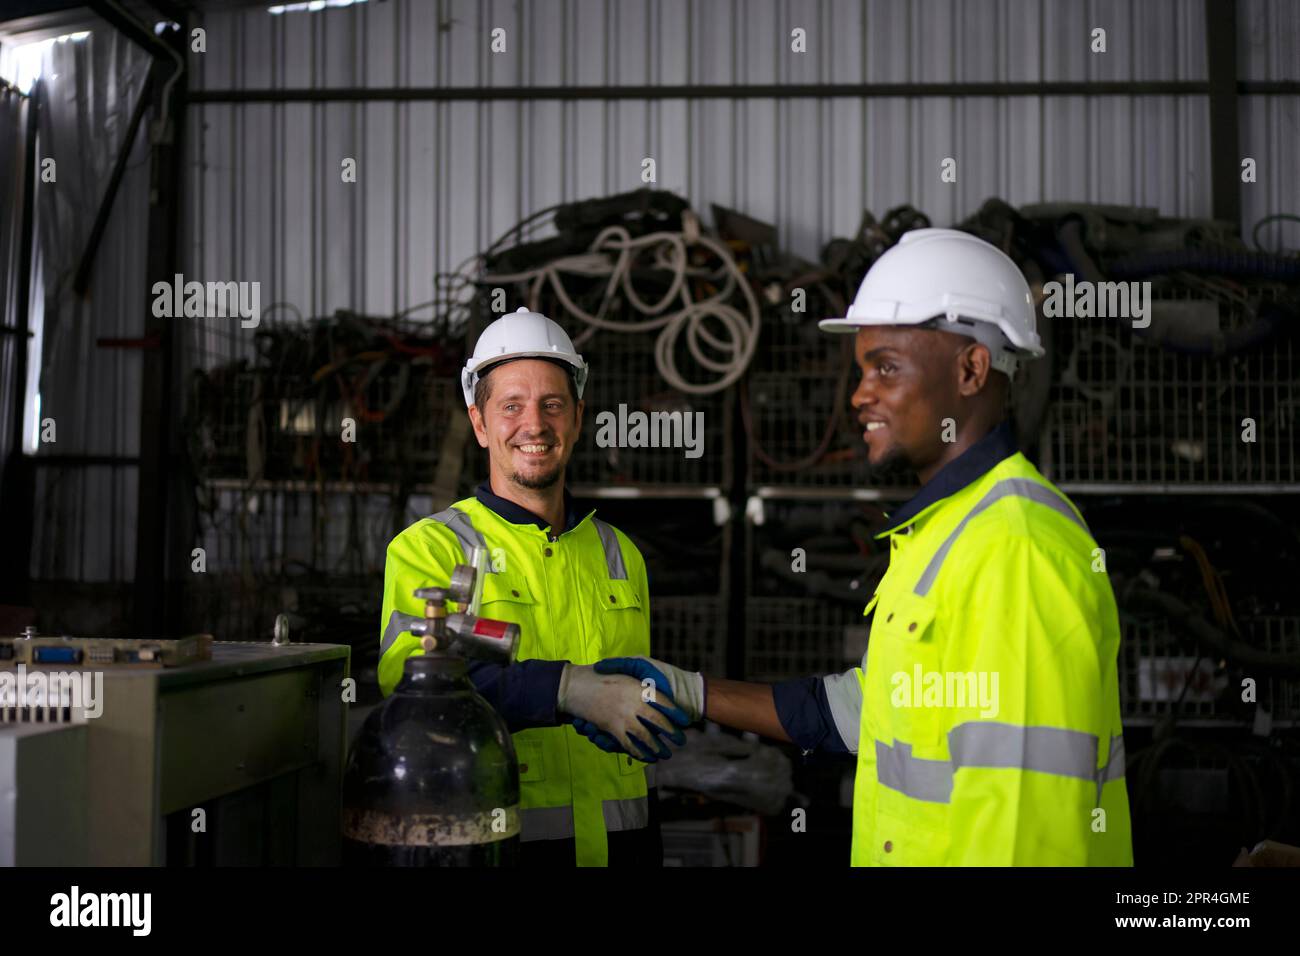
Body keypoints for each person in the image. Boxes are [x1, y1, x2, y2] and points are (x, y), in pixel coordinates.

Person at [596, 229, 1134, 866]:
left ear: (971, 369)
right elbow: (873, 709)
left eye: (886, 366)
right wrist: (690, 691)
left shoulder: (1014, 548)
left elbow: (1021, 831)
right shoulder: (948, 528)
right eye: (861, 370)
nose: (859, 394)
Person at [379, 307, 688, 867]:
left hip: (625, 845)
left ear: (577, 417)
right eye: (511, 406)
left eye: (553, 405)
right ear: (479, 424)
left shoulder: (622, 554)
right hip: (498, 844)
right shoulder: (430, 550)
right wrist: (566, 690)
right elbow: (408, 685)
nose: (535, 425)